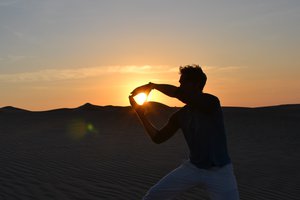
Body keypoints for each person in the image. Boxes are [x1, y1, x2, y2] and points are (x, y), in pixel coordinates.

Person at [129, 65, 239, 200]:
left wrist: (153, 86)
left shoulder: (211, 102)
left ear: (196, 84)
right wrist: (140, 114)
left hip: (221, 171)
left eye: (183, 82)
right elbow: (158, 138)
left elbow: (179, 94)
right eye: (179, 83)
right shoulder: (180, 116)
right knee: (152, 197)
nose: (180, 85)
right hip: (192, 168)